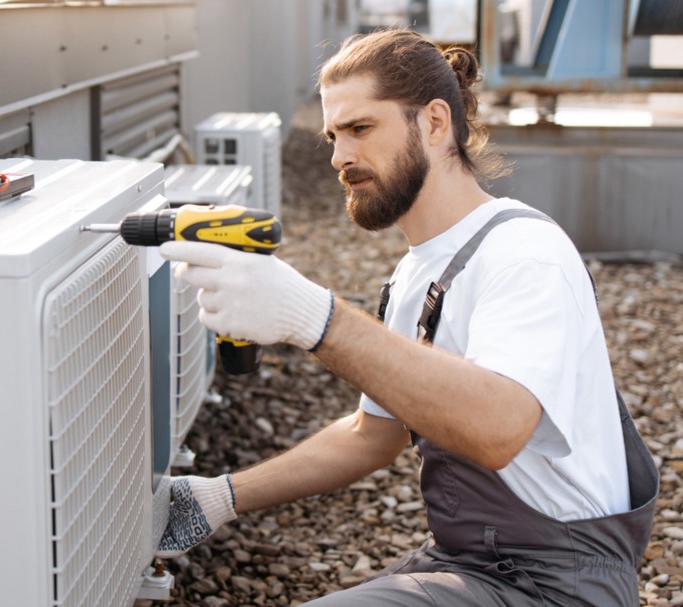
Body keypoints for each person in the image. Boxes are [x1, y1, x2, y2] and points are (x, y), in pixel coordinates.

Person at [156, 28, 658, 606]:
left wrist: (314, 317)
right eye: (332, 135)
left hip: (557, 584)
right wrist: (218, 497)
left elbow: (499, 427)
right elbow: (372, 435)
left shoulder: (523, 255)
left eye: (361, 129)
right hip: (472, 559)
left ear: (435, 123)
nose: (339, 157)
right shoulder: (416, 276)